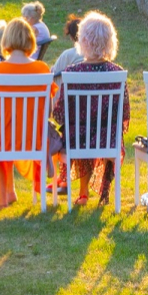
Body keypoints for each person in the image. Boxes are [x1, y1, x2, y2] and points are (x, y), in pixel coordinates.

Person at [50, 13, 130, 205]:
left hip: (77, 140)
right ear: (110, 41)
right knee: (101, 133)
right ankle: (93, 192)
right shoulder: (117, 73)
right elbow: (124, 113)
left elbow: (59, 115)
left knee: (75, 133)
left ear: (83, 40)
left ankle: (82, 192)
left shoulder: (71, 72)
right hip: (107, 140)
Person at [0, 18, 52, 208]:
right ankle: (10, 192)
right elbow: (47, 110)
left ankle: (3, 195)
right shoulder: (42, 69)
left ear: (6, 40)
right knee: (3, 132)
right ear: (30, 40)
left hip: (3, 137)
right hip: (33, 137)